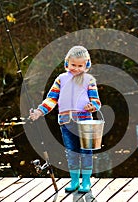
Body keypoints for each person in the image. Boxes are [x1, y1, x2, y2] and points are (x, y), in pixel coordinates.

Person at [29, 46, 101, 193]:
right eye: (73, 65)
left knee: (86, 152)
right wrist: (39, 112)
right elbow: (51, 99)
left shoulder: (89, 80)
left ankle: (86, 182)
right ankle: (74, 180)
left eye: (80, 66)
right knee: (71, 152)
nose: (76, 68)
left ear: (86, 65)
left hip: (85, 122)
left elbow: (97, 102)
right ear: (66, 63)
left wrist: (91, 106)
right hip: (65, 123)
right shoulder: (61, 79)